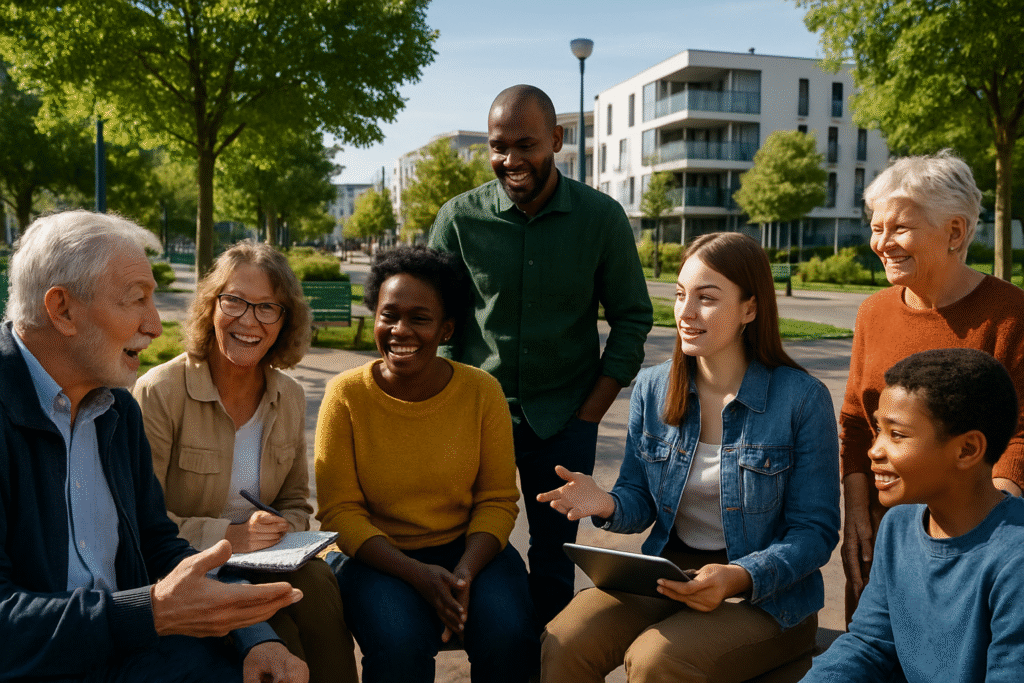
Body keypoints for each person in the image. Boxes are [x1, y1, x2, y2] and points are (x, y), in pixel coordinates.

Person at [0, 211, 306, 683]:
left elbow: (158, 544)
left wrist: (256, 636)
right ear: (62, 309)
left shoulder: (117, 410)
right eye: (136, 299)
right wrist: (151, 612)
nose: (155, 325)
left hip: (133, 655)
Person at [538, 232, 840, 682]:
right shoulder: (653, 387)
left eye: (707, 298)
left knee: (656, 659)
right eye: (681, 295)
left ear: (750, 309)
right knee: (567, 638)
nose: (686, 312)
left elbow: (814, 533)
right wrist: (607, 504)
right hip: (670, 573)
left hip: (769, 598)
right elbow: (639, 498)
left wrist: (737, 576)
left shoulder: (801, 399)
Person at [428, 84, 654, 626]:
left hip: (566, 419)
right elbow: (436, 318)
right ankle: (490, 646)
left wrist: (592, 411)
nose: (510, 160)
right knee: (464, 543)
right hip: (474, 418)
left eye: (525, 145)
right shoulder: (458, 219)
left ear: (555, 140)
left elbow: (632, 317)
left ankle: (546, 658)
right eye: (498, 146)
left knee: (554, 556)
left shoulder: (601, 218)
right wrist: (446, 401)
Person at [132, 241, 357, 683]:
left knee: (317, 587)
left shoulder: (289, 395)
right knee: (282, 633)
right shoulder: (160, 391)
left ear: (284, 321)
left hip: (269, 559)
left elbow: (296, 501)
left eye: (268, 308)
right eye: (234, 301)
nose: (249, 321)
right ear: (210, 307)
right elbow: (140, 521)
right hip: (190, 565)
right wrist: (231, 537)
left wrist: (282, 528)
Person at [314, 245, 538, 683]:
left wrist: (464, 574)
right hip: (377, 556)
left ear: (446, 328)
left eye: (419, 318)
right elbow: (339, 512)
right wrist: (417, 575)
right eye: (389, 315)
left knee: (509, 636)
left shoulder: (482, 392)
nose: (400, 330)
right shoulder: (345, 396)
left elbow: (496, 500)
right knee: (400, 644)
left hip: (469, 549)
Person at [840, 150, 1024, 623]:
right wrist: (857, 514)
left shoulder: (1010, 315)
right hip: (883, 539)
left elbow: (1021, 435)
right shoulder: (873, 313)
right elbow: (856, 423)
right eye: (876, 228)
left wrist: (981, 530)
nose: (882, 243)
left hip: (976, 543)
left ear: (955, 232)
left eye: (900, 228)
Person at [803, 348, 1024, 682]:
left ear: (966, 450)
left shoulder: (1015, 558)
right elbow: (869, 644)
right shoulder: (898, 525)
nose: (874, 450)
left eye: (897, 434)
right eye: (878, 429)